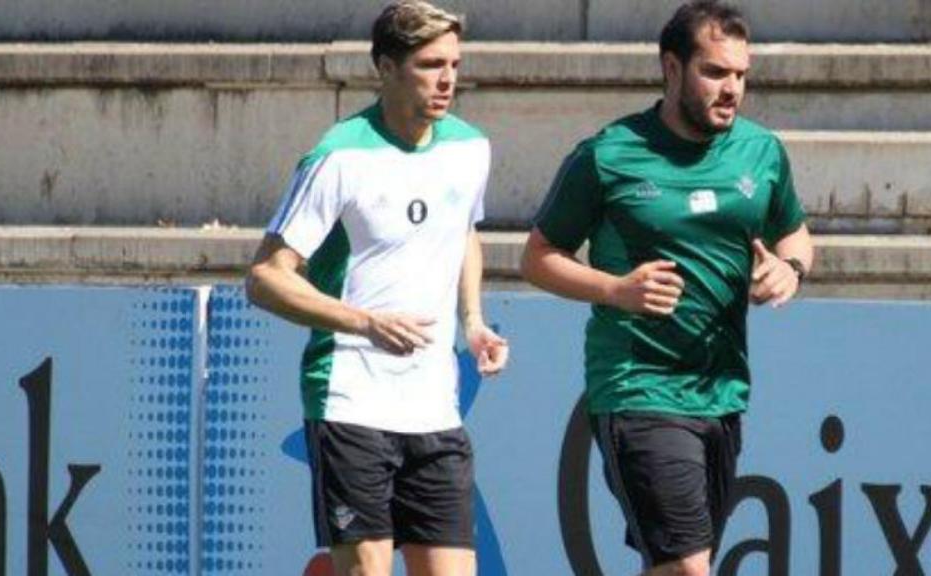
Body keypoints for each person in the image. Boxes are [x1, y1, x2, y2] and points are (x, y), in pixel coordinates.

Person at [520, 2, 814, 575]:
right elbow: (536, 258)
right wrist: (614, 289)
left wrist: (790, 269)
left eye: (740, 75)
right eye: (715, 72)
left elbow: (795, 233)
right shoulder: (609, 155)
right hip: (639, 389)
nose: (732, 89)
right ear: (672, 68)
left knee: (674, 565)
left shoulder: (761, 151)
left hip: (723, 392)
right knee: (686, 567)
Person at [246, 2, 509, 575]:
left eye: (455, 65)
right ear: (386, 67)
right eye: (429, 64)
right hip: (350, 400)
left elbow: (462, 231)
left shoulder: (470, 149)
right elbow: (266, 277)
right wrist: (364, 321)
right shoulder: (339, 155)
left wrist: (473, 320)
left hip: (434, 409)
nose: (447, 80)